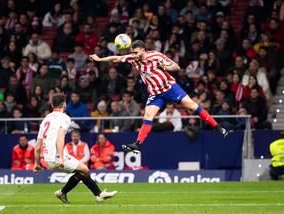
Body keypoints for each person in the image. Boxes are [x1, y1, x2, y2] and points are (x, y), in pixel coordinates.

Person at [89, 40, 228, 153]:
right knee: (148, 115)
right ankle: (138, 144)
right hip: (155, 93)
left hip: (170, 88)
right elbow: (117, 58)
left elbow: (176, 66)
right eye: (132, 52)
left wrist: (167, 67)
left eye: (136, 52)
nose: (134, 55)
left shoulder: (156, 56)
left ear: (143, 50)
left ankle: (218, 127)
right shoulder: (132, 59)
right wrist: (100, 59)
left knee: (192, 106)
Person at [33, 93, 117, 204]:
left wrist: (37, 163)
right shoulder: (65, 117)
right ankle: (66, 192)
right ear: (64, 104)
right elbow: (60, 137)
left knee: (83, 170)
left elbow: (38, 146)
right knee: (85, 170)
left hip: (48, 159)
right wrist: (61, 158)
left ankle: (97, 194)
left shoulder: (45, 119)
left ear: (52, 104)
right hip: (57, 157)